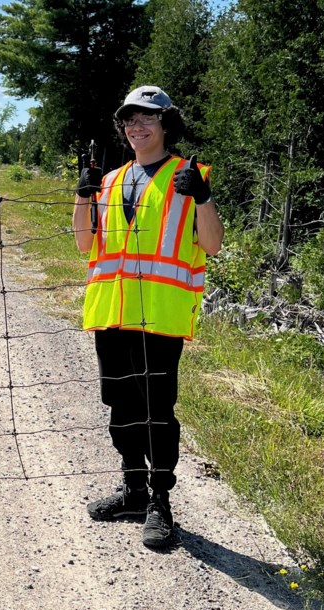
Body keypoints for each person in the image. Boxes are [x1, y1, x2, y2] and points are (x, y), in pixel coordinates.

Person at [72, 86, 224, 548]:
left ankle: (161, 500)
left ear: (165, 125)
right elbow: (84, 244)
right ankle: (133, 491)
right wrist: (83, 194)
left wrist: (202, 197)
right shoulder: (113, 179)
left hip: (159, 317)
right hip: (112, 313)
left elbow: (213, 244)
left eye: (147, 119)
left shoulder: (188, 175)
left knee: (157, 412)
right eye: (129, 120)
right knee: (120, 410)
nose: (137, 127)